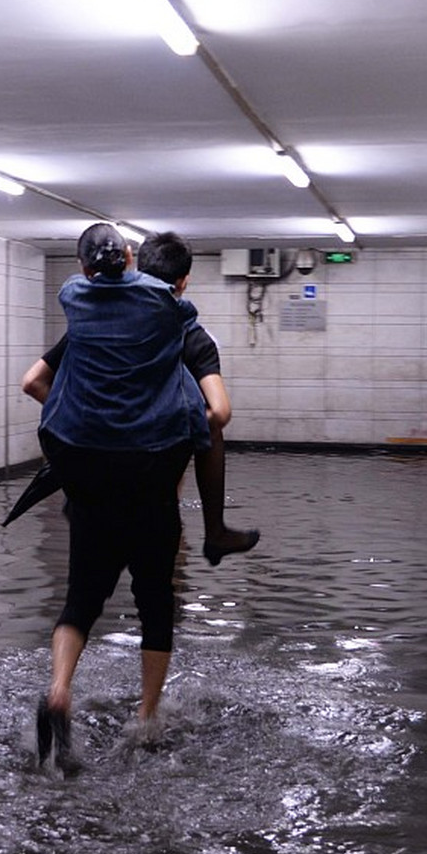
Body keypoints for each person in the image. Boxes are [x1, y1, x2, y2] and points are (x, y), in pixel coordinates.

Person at [21, 223, 204, 773]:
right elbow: (181, 315)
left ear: (82, 268)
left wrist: (78, 410)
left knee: (80, 598)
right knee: (155, 600)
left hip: (90, 474)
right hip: (148, 478)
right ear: (130, 257)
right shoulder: (167, 312)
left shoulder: (75, 307)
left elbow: (33, 381)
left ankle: (58, 689)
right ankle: (147, 716)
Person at [22, 231, 260, 565]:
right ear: (184, 281)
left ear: (137, 268)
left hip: (93, 458)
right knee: (159, 570)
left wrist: (83, 416)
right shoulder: (192, 335)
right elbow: (220, 412)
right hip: (155, 459)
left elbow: (32, 382)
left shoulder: (97, 325)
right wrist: (171, 426)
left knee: (90, 584)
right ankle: (213, 531)